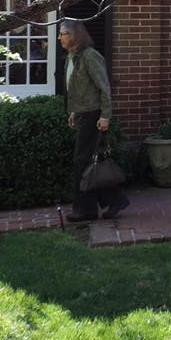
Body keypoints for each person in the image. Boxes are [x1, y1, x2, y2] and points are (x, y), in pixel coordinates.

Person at [59, 19, 129, 222]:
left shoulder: (90, 56)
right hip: (82, 114)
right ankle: (114, 200)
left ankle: (85, 210)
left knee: (81, 162)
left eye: (63, 33)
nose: (59, 37)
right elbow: (76, 88)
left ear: (74, 36)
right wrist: (73, 112)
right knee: (87, 162)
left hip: (93, 115)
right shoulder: (72, 57)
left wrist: (105, 115)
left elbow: (104, 87)